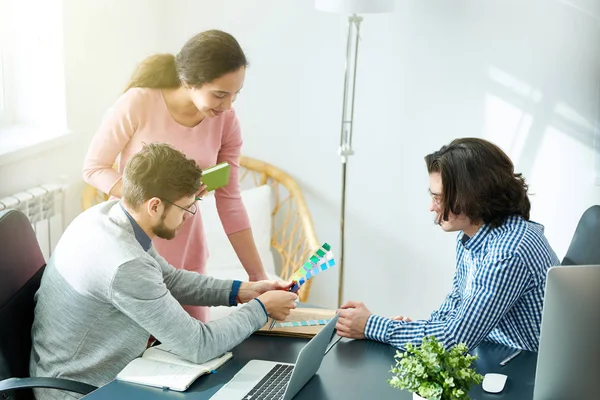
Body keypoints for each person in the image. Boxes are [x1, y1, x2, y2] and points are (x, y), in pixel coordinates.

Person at [30, 143, 298, 400]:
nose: (190, 215)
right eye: (186, 207)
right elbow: (198, 345)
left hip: (86, 374)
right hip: (80, 392)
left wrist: (242, 291)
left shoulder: (107, 215)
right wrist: (260, 309)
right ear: (155, 205)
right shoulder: (125, 263)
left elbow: (167, 278)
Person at [82, 29, 267, 321]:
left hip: (187, 243)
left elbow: (230, 200)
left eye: (235, 95)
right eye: (220, 95)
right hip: (137, 241)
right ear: (189, 80)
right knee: (142, 349)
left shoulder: (226, 121)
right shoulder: (139, 102)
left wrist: (258, 277)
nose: (228, 106)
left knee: (196, 349)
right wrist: (154, 200)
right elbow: (94, 168)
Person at [335, 138, 560, 352]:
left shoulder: (508, 252)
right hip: (492, 352)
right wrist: (403, 331)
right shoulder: (471, 235)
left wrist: (372, 326)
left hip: (525, 368)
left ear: (473, 196)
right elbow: (455, 305)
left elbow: (454, 339)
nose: (431, 208)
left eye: (439, 198)